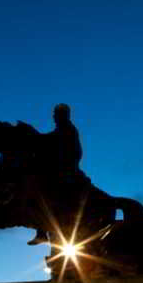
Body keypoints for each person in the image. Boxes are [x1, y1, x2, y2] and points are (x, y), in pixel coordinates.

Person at [28, 103, 83, 245]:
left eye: (56, 114)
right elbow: (46, 140)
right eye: (54, 114)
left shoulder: (68, 130)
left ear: (63, 115)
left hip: (66, 169)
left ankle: (42, 233)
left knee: (43, 194)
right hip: (61, 167)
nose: (53, 117)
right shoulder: (60, 129)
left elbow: (69, 150)